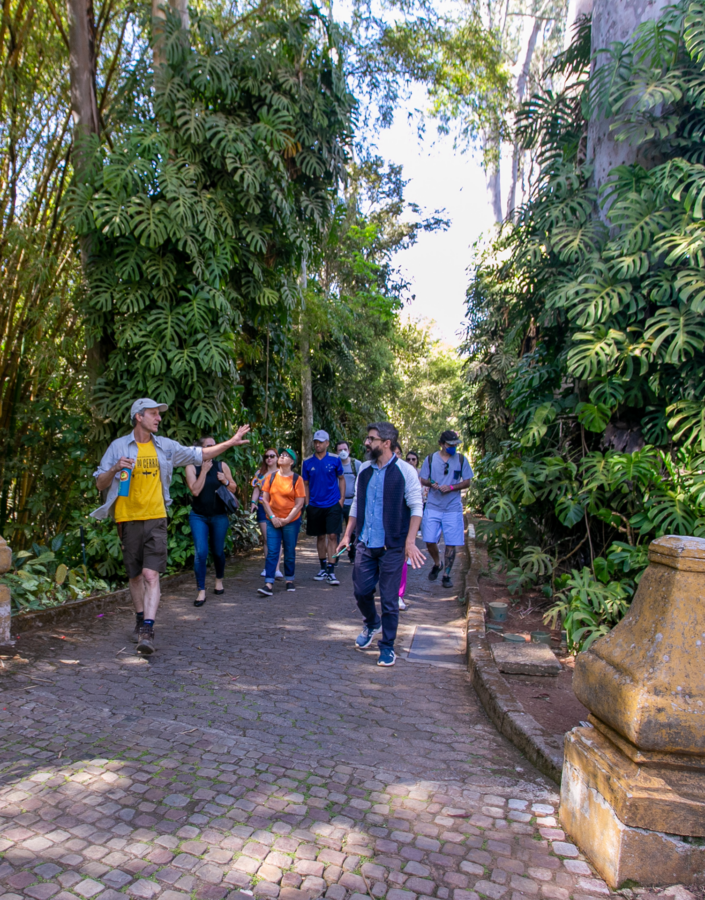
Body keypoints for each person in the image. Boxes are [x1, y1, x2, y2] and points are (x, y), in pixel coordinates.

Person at [91, 399, 250, 655]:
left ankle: (148, 629)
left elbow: (201, 454)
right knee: (134, 576)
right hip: (127, 518)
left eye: (159, 414)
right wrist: (114, 468)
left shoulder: (165, 446)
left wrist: (230, 442)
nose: (159, 418)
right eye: (154, 414)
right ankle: (140, 617)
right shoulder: (118, 446)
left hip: (156, 517)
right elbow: (100, 483)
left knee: (151, 575)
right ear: (139, 417)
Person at [337, 422, 425, 667]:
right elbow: (357, 505)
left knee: (389, 599)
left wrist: (410, 542)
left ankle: (387, 646)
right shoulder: (364, 469)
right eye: (368, 438)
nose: (367, 442)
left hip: (392, 547)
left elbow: (417, 508)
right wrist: (347, 536)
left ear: (387, 443)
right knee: (361, 591)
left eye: (372, 439)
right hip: (365, 543)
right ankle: (371, 623)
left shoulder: (406, 471)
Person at [185, 437, 238, 608]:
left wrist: (225, 481)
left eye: (214, 445)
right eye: (209, 446)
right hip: (198, 516)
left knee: (218, 551)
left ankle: (219, 580)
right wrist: (204, 472)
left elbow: (233, 488)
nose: (213, 448)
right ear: (200, 449)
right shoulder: (191, 467)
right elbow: (195, 490)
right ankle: (201, 590)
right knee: (201, 553)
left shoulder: (222, 465)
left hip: (219, 516)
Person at [419, 430, 473, 589]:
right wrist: (431, 484)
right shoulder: (430, 459)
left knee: (451, 542)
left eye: (455, 444)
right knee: (429, 540)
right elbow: (423, 479)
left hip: (452, 508)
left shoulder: (462, 460)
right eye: (450, 445)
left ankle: (446, 575)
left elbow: (467, 481)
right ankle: (438, 563)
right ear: (441, 444)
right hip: (433, 506)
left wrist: (451, 487)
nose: (453, 447)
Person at [258, 449, 306, 596]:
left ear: (292, 462)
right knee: (272, 551)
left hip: (291, 520)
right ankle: (268, 583)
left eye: (287, 456)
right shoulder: (270, 477)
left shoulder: (297, 479)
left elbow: (299, 503)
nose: (283, 457)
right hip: (273, 520)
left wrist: (286, 519)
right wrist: (273, 518)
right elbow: (264, 500)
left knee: (289, 550)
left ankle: (289, 579)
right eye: (282, 455)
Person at [302, 429, 345, 585]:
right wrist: (307, 503)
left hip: (333, 504)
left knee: (332, 536)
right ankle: (322, 568)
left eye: (320, 442)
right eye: (315, 442)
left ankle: (331, 570)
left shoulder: (335, 459)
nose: (317, 444)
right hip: (314, 505)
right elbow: (305, 484)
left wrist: (341, 499)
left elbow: (341, 479)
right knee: (320, 536)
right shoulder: (307, 462)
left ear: (327, 443)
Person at [250, 449, 283, 579]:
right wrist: (253, 502)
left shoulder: (282, 473)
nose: (269, 458)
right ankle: (268, 566)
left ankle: (276, 568)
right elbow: (256, 490)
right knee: (267, 538)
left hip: (278, 508)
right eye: (266, 456)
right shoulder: (260, 473)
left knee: (277, 539)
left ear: (277, 458)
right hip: (263, 507)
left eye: (272, 456)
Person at [335, 439, 362, 563]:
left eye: (345, 449)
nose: (343, 452)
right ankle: (335, 557)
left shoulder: (356, 465)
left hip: (353, 503)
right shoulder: (334, 464)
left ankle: (353, 556)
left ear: (349, 450)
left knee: (353, 531)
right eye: (340, 450)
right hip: (337, 502)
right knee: (335, 531)